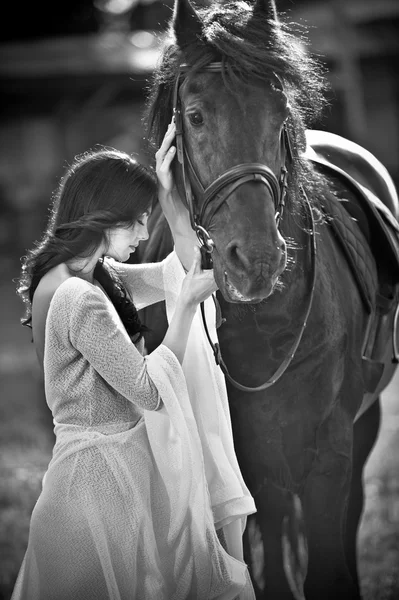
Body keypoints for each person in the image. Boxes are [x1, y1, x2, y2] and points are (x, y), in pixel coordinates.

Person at [11, 122, 256, 600]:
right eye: (137, 220)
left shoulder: (92, 276)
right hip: (95, 493)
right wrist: (184, 307)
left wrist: (170, 198)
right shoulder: (78, 297)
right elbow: (147, 390)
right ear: (102, 216)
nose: (146, 234)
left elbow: (175, 272)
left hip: (114, 479)